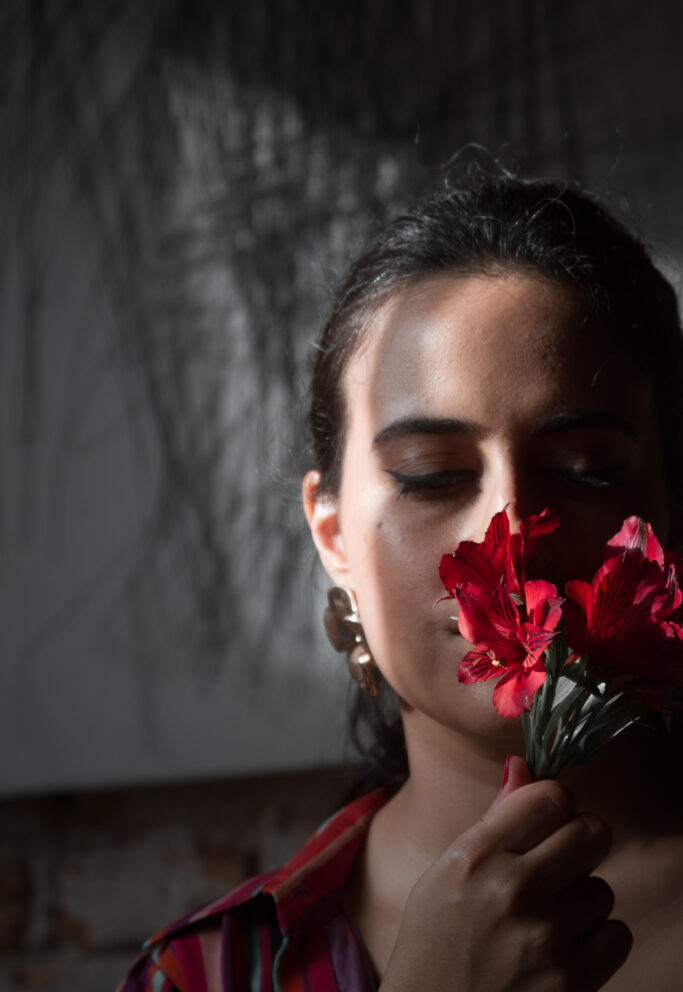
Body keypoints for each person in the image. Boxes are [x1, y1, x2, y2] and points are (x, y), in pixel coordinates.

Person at [117, 167, 683, 991]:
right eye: (428, 476)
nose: (512, 538)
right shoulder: (209, 973)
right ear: (333, 535)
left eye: (586, 469)